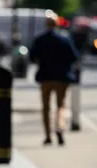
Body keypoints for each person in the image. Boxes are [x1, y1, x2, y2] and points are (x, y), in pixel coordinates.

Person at [29, 14, 79, 146]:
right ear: (56, 24)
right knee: (61, 105)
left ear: (46, 24)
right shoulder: (64, 39)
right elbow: (74, 56)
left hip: (45, 77)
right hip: (61, 77)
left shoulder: (40, 39)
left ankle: (47, 136)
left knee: (45, 108)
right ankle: (59, 127)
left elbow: (32, 57)